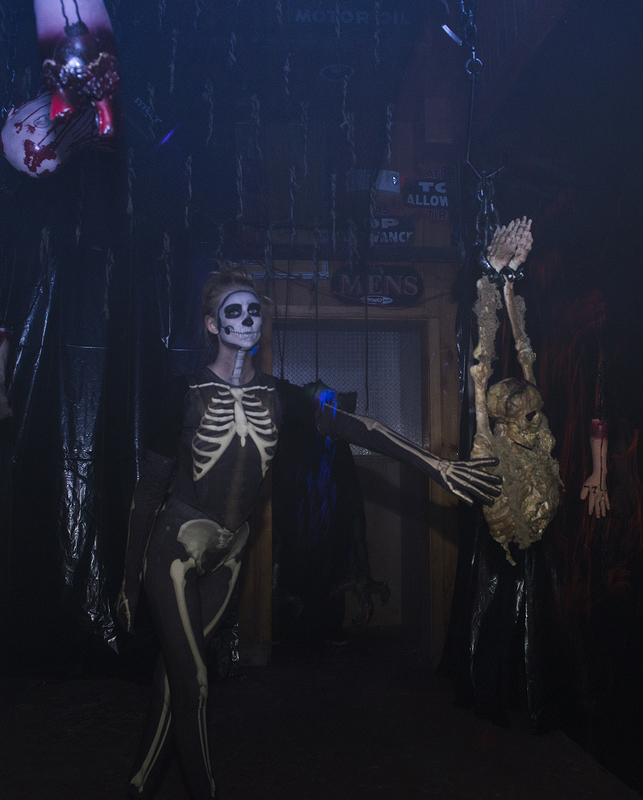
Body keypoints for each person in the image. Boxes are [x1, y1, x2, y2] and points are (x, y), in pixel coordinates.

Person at [116, 264, 501, 800]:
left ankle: (139, 785)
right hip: (177, 545)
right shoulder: (182, 393)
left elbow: (357, 426)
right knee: (195, 683)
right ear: (212, 324)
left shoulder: (278, 396)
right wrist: (129, 583)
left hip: (230, 549)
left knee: (175, 674)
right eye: (234, 312)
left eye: (254, 311)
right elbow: (148, 492)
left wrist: (437, 466)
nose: (247, 320)